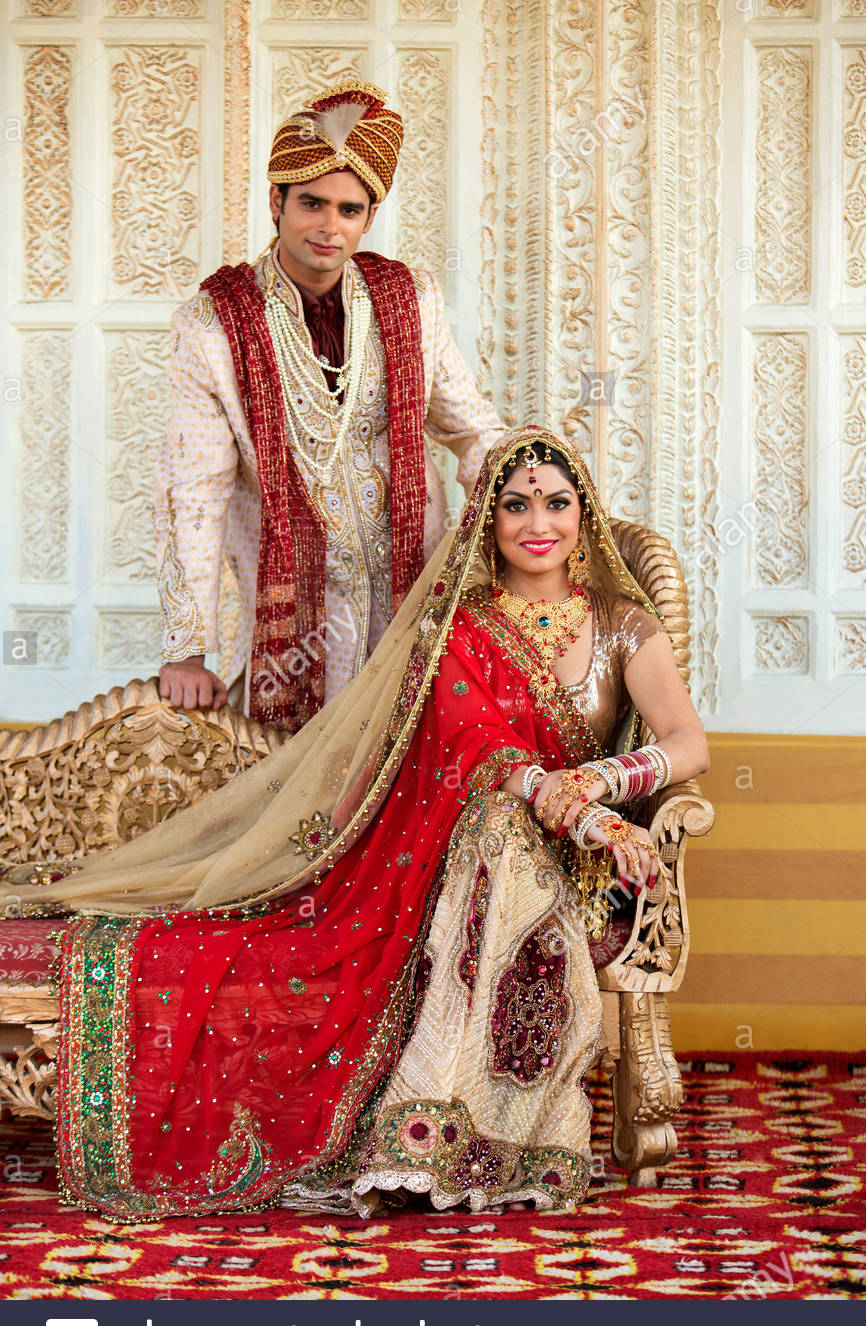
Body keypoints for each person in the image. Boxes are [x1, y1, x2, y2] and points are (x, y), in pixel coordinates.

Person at [10, 427, 709, 1220]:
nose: (536, 522)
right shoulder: (459, 626)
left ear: (583, 514)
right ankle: (439, 1136)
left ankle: (483, 1131)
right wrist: (567, 806)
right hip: (468, 847)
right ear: (489, 518)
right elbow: (472, 750)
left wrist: (598, 785)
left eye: (556, 502)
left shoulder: (622, 625)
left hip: (577, 863)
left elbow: (688, 745)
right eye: (515, 505)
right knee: (500, 827)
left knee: (514, 835)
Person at [154, 80, 504, 732]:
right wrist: (187, 647)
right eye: (311, 203)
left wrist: (519, 491)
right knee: (291, 785)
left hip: (408, 589)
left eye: (349, 209)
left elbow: (472, 426)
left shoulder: (408, 300)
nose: (328, 226)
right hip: (283, 607)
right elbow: (192, 492)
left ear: (369, 218)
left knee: (409, 767)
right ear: (275, 202)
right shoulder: (213, 324)